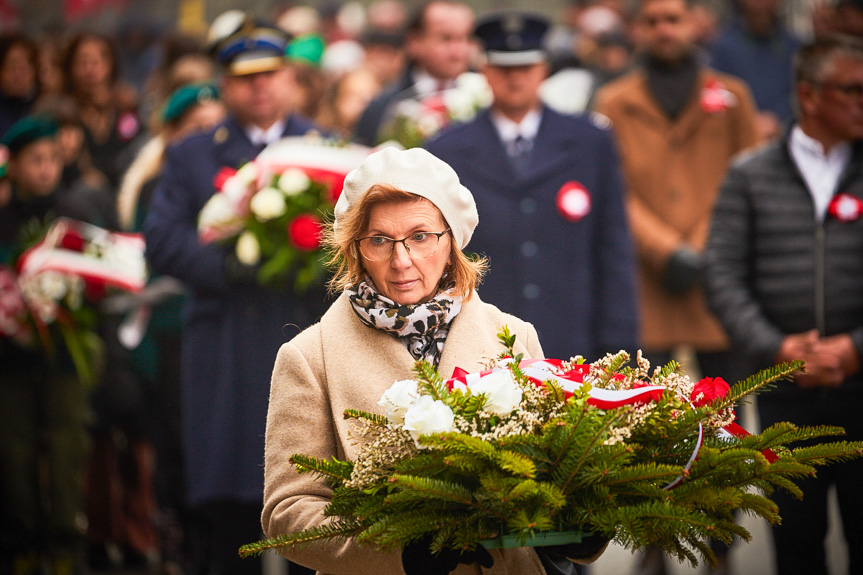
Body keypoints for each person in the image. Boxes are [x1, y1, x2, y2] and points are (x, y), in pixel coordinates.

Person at [261, 146, 609, 575]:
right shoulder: (309, 358)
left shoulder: (514, 336)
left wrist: (581, 525)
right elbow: (288, 514)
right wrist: (401, 552)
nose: (401, 260)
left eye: (421, 237)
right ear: (355, 249)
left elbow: (550, 482)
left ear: (451, 242)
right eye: (379, 241)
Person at [142, 16, 326, 575]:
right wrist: (237, 266)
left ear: (290, 79)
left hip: (303, 337)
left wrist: (305, 261)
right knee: (229, 512)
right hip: (226, 343)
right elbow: (163, 241)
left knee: (313, 497)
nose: (260, 87)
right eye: (245, 77)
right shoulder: (193, 155)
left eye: (270, 74)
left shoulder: (322, 150)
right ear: (225, 85)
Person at [704, 34, 863, 575]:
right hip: (785, 395)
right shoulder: (751, 173)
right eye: (852, 90)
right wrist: (778, 347)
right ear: (810, 95)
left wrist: (854, 349)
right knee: (796, 544)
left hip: (861, 385)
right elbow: (722, 274)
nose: (862, 101)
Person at [426, 12, 638, 363]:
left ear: (544, 70)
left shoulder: (590, 142)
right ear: (485, 72)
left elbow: (613, 247)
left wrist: (619, 343)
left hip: (573, 339)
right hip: (481, 344)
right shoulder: (447, 150)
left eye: (526, 67)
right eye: (504, 69)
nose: (515, 79)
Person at [0, 115, 93, 575]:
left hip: (63, 359)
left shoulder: (74, 215)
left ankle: (64, 547)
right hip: (10, 360)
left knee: (65, 448)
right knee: (13, 450)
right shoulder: (3, 219)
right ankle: (21, 542)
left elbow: (96, 281)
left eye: (53, 159)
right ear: (12, 165)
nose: (45, 169)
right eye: (35, 160)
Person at [353, 0, 475, 146]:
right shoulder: (385, 106)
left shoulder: (490, 103)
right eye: (446, 39)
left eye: (465, 38)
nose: (458, 52)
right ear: (415, 42)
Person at [707, 0, 801, 141]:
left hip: (786, 138)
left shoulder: (795, 47)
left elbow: (801, 93)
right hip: (738, 137)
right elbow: (716, 95)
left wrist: (779, 119)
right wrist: (751, 120)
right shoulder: (722, 47)